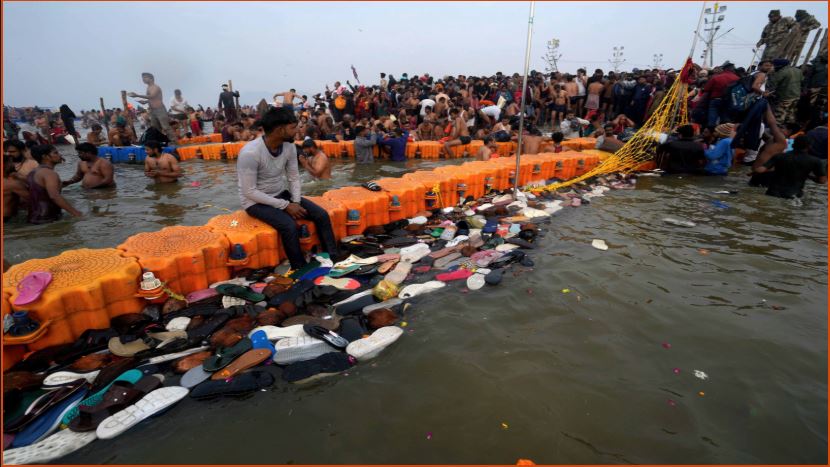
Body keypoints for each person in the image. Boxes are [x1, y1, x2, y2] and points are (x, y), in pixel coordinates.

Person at [237, 107, 342, 270]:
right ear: (280, 129)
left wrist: (296, 201)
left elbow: (293, 177)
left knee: (321, 215)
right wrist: (285, 206)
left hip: (281, 194)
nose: (297, 131)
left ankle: (333, 258)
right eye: (293, 128)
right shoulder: (250, 153)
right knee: (289, 226)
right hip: (254, 202)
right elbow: (248, 191)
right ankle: (299, 267)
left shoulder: (289, 147)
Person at [753, 135, 827, 199]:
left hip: (773, 193)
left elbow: (760, 170)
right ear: (809, 146)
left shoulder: (779, 156)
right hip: (793, 196)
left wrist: (754, 171)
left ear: (793, 144)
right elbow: (822, 181)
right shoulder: (815, 161)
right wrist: (808, 176)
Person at [26, 145, 82, 223]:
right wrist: (76, 213)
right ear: (45, 156)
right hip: (48, 217)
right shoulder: (49, 173)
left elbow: (40, 192)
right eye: (55, 153)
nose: (60, 155)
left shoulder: (32, 172)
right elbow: (54, 196)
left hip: (35, 217)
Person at [127, 72, 178, 143]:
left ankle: (174, 141)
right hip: (152, 110)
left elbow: (152, 96)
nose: (143, 79)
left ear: (151, 78)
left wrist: (137, 95)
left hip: (160, 109)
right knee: (155, 128)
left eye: (145, 77)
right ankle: (160, 142)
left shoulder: (156, 87)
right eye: (143, 78)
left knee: (165, 127)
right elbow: (152, 99)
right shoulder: (148, 87)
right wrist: (145, 102)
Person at [701, 61, 739, 126]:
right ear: (731, 69)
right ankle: (723, 133)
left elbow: (706, 89)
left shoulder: (716, 77)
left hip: (715, 100)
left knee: (712, 119)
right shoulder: (737, 78)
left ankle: (710, 131)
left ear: (725, 69)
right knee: (725, 120)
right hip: (729, 102)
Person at [768, 58, 803, 125]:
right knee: (790, 114)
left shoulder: (782, 72)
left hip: (786, 97)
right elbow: (801, 81)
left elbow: (772, 83)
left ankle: (775, 131)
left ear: (779, 65)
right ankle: (788, 129)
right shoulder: (798, 70)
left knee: (779, 115)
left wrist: (771, 74)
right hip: (796, 95)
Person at [3, 154, 30, 222]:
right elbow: (34, 199)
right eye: (11, 162)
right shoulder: (13, 184)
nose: (13, 165)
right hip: (6, 219)